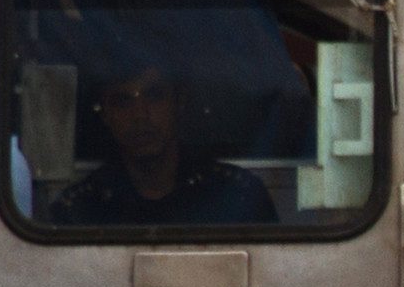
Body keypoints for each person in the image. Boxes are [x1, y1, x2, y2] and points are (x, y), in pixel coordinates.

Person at [45, 66, 275, 229]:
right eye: (123, 101)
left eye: (154, 96)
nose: (140, 115)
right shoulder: (79, 211)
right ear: (105, 113)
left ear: (179, 102)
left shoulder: (237, 196)